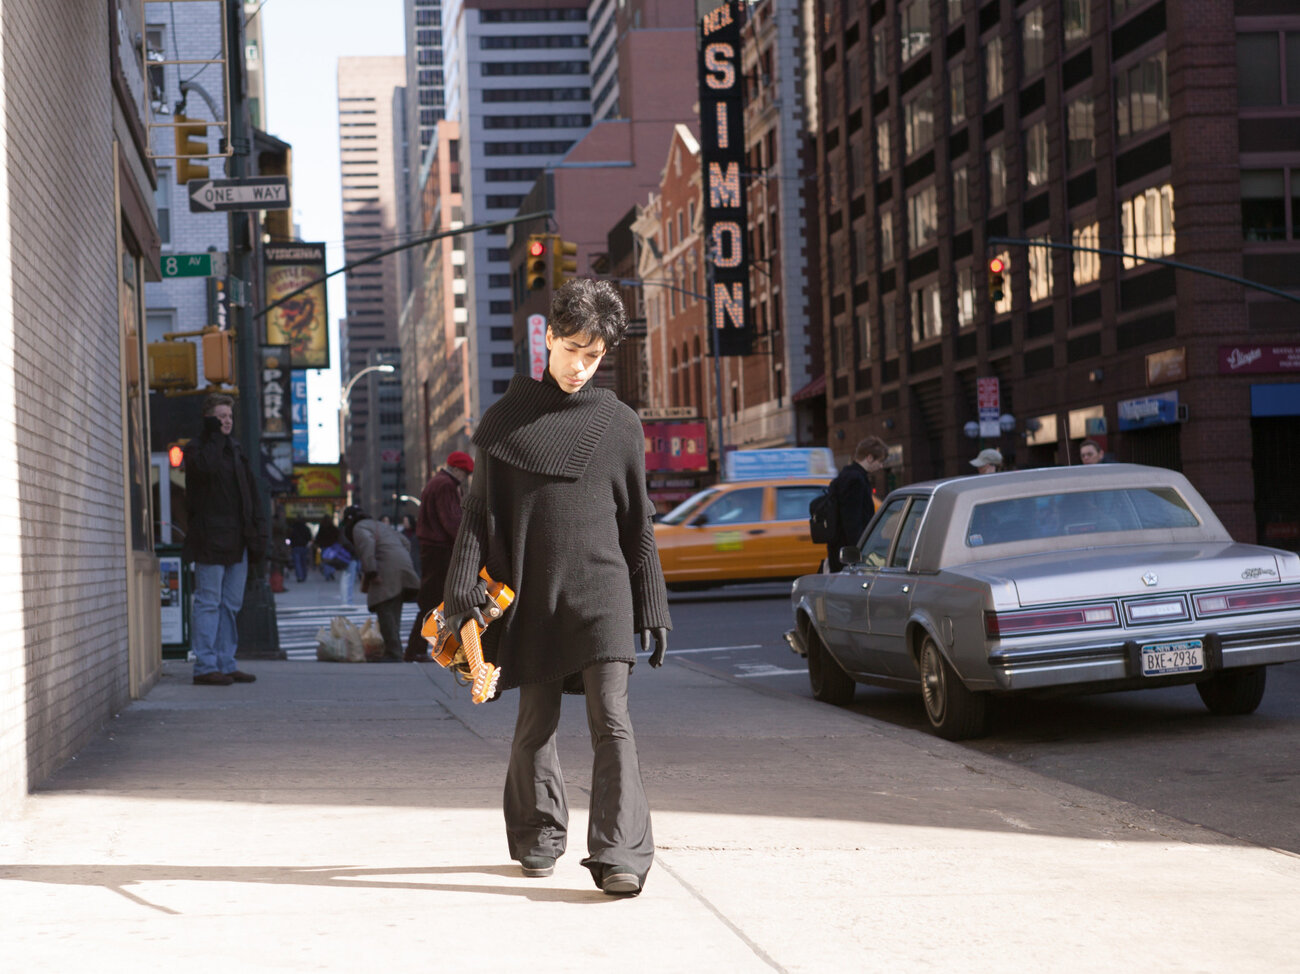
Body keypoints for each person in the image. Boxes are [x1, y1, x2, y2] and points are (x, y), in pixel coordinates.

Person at [441, 278, 671, 897]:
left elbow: (638, 520)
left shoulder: (620, 424)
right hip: (531, 594)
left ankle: (621, 853)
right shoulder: (505, 421)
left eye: (593, 356)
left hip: (603, 594)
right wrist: (460, 595)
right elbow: (478, 515)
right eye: (571, 349)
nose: (579, 366)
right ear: (547, 338)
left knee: (611, 718)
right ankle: (539, 836)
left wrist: (652, 603)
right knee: (535, 722)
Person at [181, 393, 265, 686]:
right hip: (209, 539)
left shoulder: (237, 450)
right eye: (220, 417)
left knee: (230, 604)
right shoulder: (197, 449)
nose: (226, 421)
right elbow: (204, 469)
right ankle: (205, 666)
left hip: (238, 539)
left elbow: (250, 495)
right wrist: (215, 437)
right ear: (209, 419)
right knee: (209, 602)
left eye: (229, 416)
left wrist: (257, 533)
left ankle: (226, 662)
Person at [405, 451, 474, 662]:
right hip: (439, 549)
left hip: (432, 548)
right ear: (456, 469)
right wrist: (465, 543)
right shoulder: (446, 485)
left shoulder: (438, 482)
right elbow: (451, 520)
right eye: (464, 473)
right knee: (433, 601)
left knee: (432, 600)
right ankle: (415, 650)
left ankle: (418, 649)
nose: (465, 477)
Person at [342, 505, 419, 662]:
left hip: (385, 567)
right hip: (403, 565)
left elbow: (367, 546)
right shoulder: (381, 525)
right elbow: (405, 542)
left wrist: (372, 572)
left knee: (384, 608)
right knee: (394, 609)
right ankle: (394, 649)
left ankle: (394, 652)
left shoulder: (359, 527)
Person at [825, 436, 888, 572]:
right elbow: (852, 522)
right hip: (848, 556)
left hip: (841, 551)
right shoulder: (855, 480)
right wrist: (860, 553)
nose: (881, 466)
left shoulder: (848, 475)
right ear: (869, 457)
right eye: (880, 461)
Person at [288, 517, 313, 583]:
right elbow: (309, 537)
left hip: (296, 546)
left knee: (297, 563)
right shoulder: (305, 528)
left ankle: (299, 576)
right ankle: (303, 576)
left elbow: (289, 537)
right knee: (303, 562)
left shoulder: (293, 528)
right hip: (303, 546)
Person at [315, 515, 340, 580]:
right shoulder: (333, 528)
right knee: (332, 560)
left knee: (325, 561)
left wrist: (318, 544)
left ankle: (327, 574)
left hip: (324, 546)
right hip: (332, 546)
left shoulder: (322, 528)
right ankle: (331, 572)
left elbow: (318, 537)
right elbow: (337, 536)